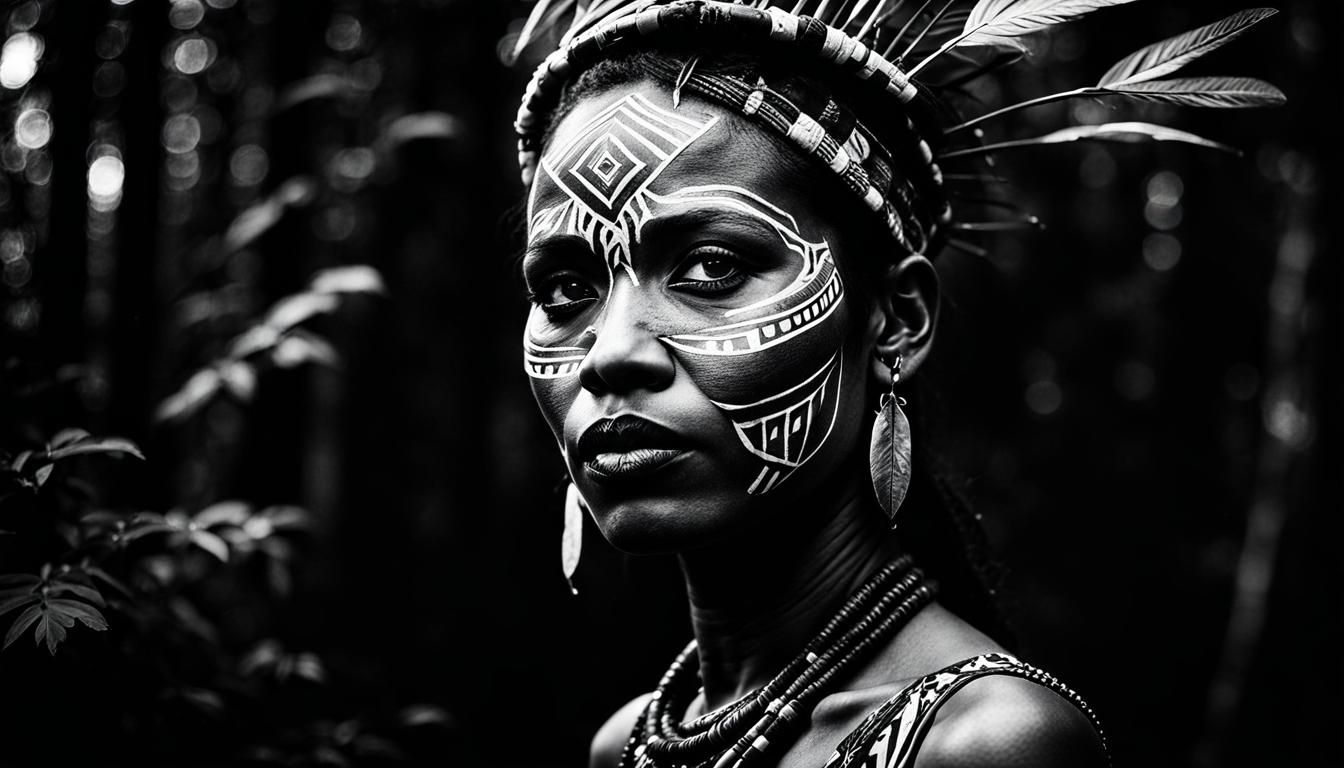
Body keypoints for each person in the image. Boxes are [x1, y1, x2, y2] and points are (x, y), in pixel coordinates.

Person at [508, 2, 1281, 766]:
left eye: (713, 266)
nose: (607, 353)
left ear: (895, 321)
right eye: (566, 289)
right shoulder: (626, 746)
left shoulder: (984, 747)